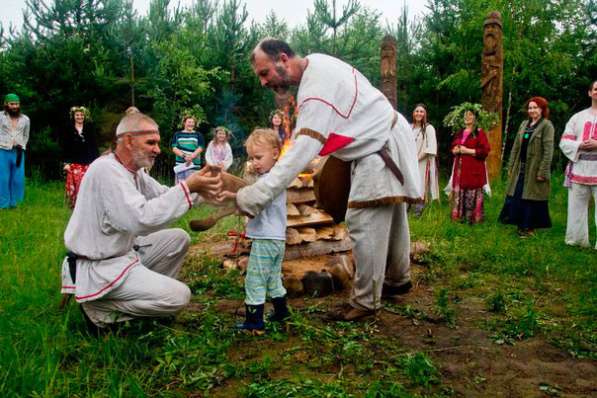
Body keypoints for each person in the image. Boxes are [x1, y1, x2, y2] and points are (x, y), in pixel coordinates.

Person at [236, 38, 421, 321]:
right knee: (391, 212)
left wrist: (258, 194)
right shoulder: (318, 61)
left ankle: (365, 303)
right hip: (385, 136)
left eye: (264, 73)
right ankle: (397, 279)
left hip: (378, 146)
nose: (263, 82)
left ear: (283, 59)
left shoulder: (315, 91)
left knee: (364, 219)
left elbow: (300, 152)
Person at [60, 110, 223, 331]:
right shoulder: (106, 170)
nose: (157, 149)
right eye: (151, 142)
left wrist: (205, 190)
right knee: (180, 297)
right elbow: (141, 219)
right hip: (101, 267)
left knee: (178, 238)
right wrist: (189, 186)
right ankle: (100, 311)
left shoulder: (133, 171)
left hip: (122, 256)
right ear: (128, 141)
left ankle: (147, 296)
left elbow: (164, 194)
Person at [220, 129, 290, 334]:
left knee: (255, 280)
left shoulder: (268, 182)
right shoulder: (273, 178)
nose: (254, 162)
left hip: (266, 239)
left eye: (259, 157)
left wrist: (236, 200)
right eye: (251, 158)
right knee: (273, 279)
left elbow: (254, 202)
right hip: (277, 239)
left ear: (276, 153)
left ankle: (254, 323)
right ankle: (281, 312)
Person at [499, 97, 554, 236]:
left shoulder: (546, 125)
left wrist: (543, 171)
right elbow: (516, 147)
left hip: (535, 169)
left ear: (542, 109)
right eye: (530, 108)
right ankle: (519, 225)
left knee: (531, 198)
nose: (532, 110)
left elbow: (548, 151)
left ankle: (529, 228)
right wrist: (510, 166)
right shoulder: (524, 124)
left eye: (535, 107)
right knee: (517, 195)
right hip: (520, 167)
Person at [559, 80, 597, 248]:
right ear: (589, 93)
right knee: (576, 207)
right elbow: (565, 141)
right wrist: (579, 145)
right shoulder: (578, 117)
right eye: (595, 89)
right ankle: (576, 240)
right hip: (579, 167)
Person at [448, 107, 491, 224]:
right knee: (460, 191)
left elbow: (485, 151)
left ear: (475, 117)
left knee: (471, 191)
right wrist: (455, 150)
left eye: (470, 115)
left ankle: (472, 219)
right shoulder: (460, 132)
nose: (467, 117)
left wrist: (468, 150)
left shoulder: (479, 132)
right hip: (460, 169)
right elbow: (453, 146)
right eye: (465, 115)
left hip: (474, 169)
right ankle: (459, 217)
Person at [61, 106, 100, 208]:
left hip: (88, 162)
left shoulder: (89, 128)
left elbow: (94, 145)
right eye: (77, 115)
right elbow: (65, 146)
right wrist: (66, 163)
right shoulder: (68, 128)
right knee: (76, 185)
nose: (79, 117)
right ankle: (76, 206)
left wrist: (96, 162)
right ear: (73, 116)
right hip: (74, 162)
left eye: (81, 115)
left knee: (88, 185)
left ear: (84, 116)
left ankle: (88, 205)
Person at [0, 93, 30, 209]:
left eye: (17, 104)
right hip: (2, 150)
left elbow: (26, 135)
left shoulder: (25, 119)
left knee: (18, 179)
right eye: (12, 104)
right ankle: (3, 204)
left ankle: (16, 203)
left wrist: (22, 145)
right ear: (6, 104)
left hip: (18, 152)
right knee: (3, 178)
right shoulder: (0, 117)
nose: (14, 106)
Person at [411, 103, 440, 216]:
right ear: (413, 113)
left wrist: (417, 159)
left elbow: (431, 148)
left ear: (425, 114)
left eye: (421, 111)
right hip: (410, 162)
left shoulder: (429, 128)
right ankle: (408, 206)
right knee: (410, 183)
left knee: (420, 184)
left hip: (422, 162)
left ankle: (418, 209)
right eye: (417, 111)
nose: (419, 113)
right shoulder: (410, 127)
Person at [171, 115, 205, 183]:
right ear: (184, 123)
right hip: (181, 165)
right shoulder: (177, 134)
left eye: (193, 122)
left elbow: (201, 147)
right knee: (180, 187)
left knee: (194, 187)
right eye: (189, 122)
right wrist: (185, 156)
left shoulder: (198, 134)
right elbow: (174, 148)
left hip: (194, 165)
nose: (191, 124)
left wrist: (191, 157)